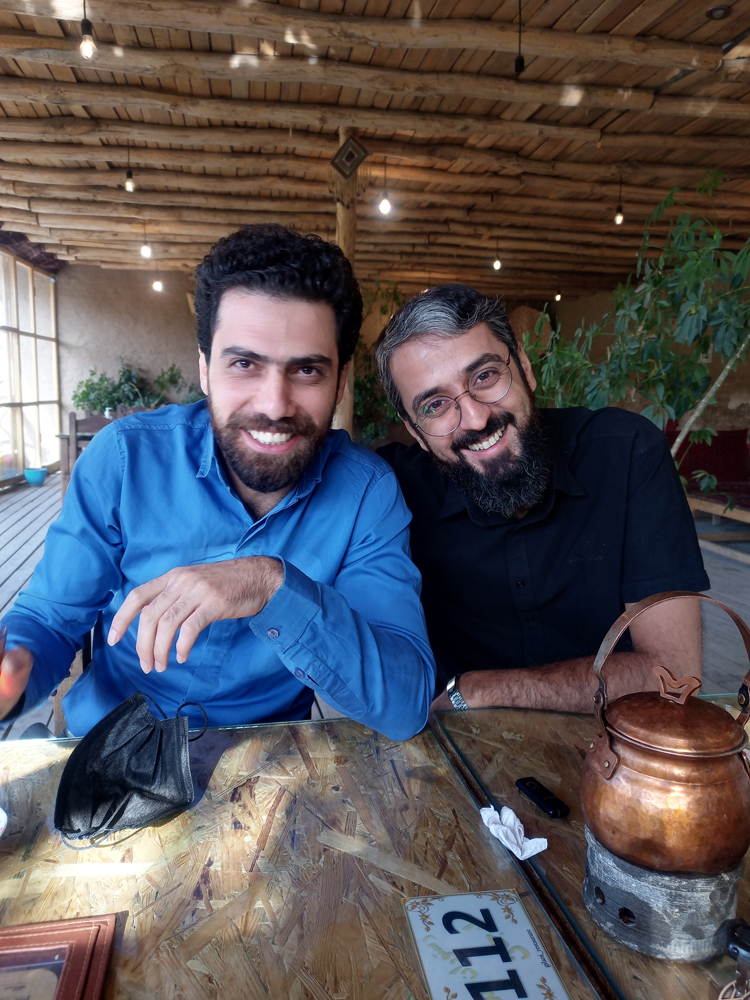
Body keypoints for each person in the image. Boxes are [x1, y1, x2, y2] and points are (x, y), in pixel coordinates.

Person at [0, 225, 435, 739]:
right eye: (244, 364)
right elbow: (50, 621)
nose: (274, 405)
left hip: (264, 766)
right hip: (109, 743)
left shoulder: (367, 494)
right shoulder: (124, 459)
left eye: (306, 371)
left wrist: (270, 585)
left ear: (340, 381)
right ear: (205, 369)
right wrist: (13, 675)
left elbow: (405, 703)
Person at [375, 284, 708, 714]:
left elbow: (675, 675)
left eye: (485, 376)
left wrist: (483, 690)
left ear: (525, 369)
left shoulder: (626, 453)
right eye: (435, 405)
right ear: (415, 431)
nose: (475, 418)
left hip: (620, 741)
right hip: (459, 743)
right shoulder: (388, 490)